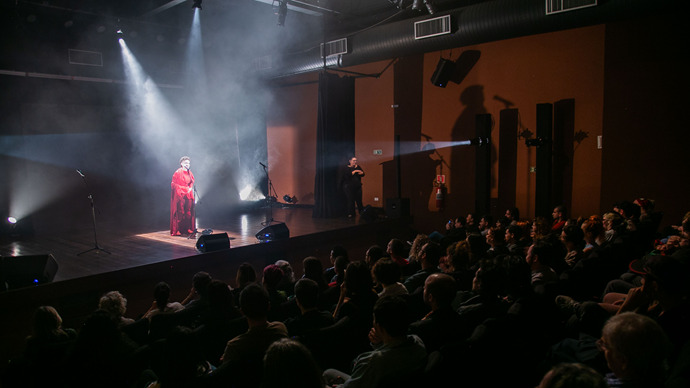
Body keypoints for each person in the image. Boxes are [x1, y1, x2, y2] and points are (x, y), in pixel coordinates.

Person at [170, 156, 195, 236]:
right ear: (181, 164)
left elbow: (192, 181)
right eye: (185, 163)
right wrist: (183, 189)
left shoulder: (189, 172)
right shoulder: (177, 172)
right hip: (180, 195)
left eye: (188, 163)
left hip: (188, 194)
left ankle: (188, 228)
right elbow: (173, 184)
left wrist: (190, 188)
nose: (187, 164)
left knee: (188, 212)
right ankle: (177, 230)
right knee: (180, 212)